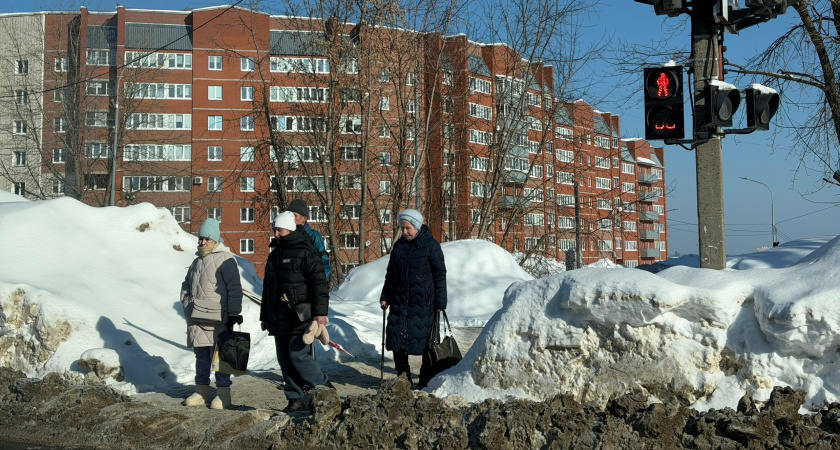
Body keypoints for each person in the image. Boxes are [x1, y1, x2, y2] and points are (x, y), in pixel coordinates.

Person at [261, 211, 333, 412]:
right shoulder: (275, 254)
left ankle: (324, 387)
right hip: (278, 315)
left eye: (280, 230)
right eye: (275, 230)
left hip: (300, 313)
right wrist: (265, 316)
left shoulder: (306, 251)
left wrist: (320, 313)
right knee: (284, 358)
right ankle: (295, 398)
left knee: (298, 356)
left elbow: (319, 284)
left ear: (290, 230)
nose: (276, 234)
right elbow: (268, 288)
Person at [379, 209, 447, 388]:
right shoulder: (399, 247)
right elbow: (390, 275)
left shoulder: (431, 246)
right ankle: (403, 378)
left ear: (416, 226)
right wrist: (385, 296)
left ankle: (425, 379)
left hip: (423, 304)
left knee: (427, 343)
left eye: (408, 228)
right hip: (399, 302)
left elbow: (440, 274)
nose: (404, 232)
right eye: (402, 228)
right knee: (396, 340)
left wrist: (441, 302)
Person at [180, 218, 243, 410]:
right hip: (197, 317)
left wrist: (233, 313)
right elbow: (186, 285)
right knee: (201, 354)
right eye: (201, 238)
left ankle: (223, 394)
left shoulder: (226, 259)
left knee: (221, 354)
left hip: (219, 317)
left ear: (215, 240)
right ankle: (202, 392)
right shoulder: (196, 262)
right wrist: (187, 301)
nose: (203, 242)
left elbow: (234, 288)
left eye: (207, 239)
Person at [287, 199, 331, 283]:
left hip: (309, 287)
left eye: (294, 215)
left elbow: (324, 263)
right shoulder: (286, 236)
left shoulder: (314, 236)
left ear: (304, 219)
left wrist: (321, 285)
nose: (291, 218)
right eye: (290, 215)